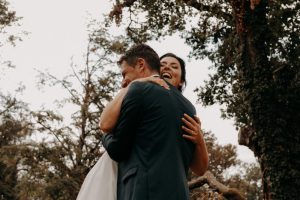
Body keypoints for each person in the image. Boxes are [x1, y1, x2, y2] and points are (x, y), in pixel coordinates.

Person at [77, 46, 208, 200]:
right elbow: (199, 169)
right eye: (162, 64)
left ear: (182, 81)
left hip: (142, 190)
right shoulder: (189, 108)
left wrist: (105, 136)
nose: (166, 67)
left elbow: (113, 140)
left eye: (174, 66)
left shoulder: (140, 89)